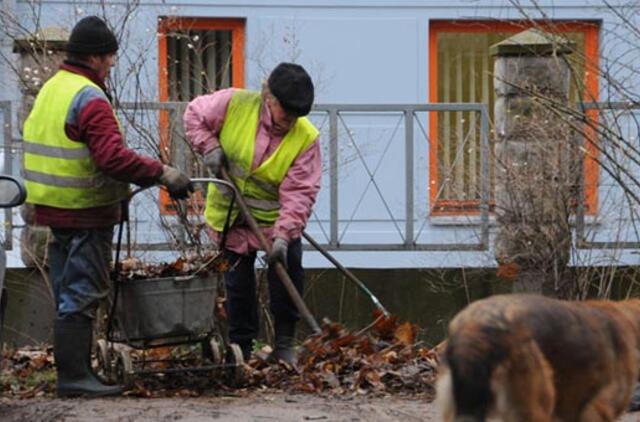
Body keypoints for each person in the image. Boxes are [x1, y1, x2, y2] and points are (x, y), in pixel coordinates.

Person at [22, 16, 193, 397]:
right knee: (81, 293)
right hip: (85, 212)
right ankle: (75, 379)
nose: (113, 65)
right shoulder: (89, 98)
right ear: (96, 58)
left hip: (52, 211)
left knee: (67, 292)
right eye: (111, 58)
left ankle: (76, 373)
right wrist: (162, 173)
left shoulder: (52, 88)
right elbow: (112, 158)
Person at [184, 62, 322, 365]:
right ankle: (241, 348)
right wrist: (208, 146)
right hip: (231, 215)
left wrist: (284, 236)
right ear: (269, 98)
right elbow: (193, 114)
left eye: (297, 116)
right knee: (237, 284)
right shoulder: (234, 104)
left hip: (276, 221)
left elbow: (300, 192)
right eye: (287, 113)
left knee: (288, 270)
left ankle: (284, 344)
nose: (290, 122)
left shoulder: (305, 138)